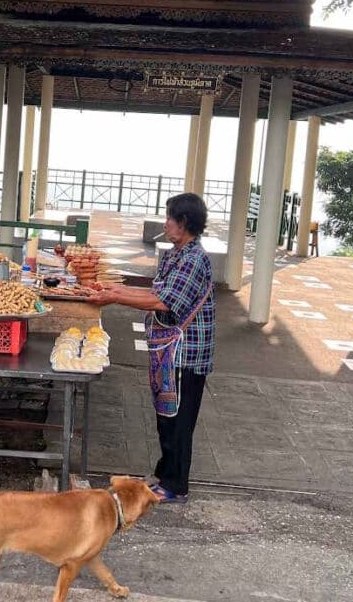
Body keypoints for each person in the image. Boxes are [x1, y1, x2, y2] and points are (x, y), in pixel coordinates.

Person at [88, 193, 215, 504]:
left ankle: (176, 484)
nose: (166, 223)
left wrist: (115, 298)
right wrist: (114, 288)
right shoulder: (175, 254)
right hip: (167, 350)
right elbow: (156, 289)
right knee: (165, 413)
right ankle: (164, 471)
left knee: (180, 418)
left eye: (170, 218)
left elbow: (163, 302)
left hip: (186, 351)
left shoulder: (194, 260)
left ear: (184, 223)